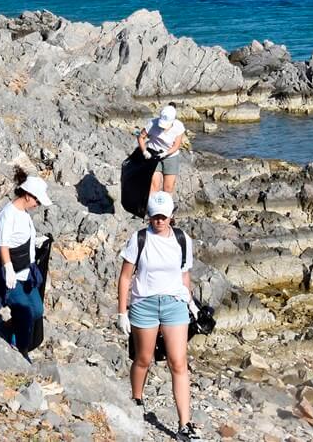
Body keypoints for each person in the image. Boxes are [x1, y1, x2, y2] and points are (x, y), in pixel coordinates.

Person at [116, 192, 202, 442]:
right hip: (144, 304)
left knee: (179, 362)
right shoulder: (139, 239)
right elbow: (125, 277)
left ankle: (184, 424)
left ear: (171, 216)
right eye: (155, 217)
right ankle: (137, 398)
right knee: (143, 358)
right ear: (149, 216)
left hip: (175, 304)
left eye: (163, 217)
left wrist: (190, 301)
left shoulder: (182, 240)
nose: (159, 221)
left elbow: (184, 273)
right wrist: (122, 312)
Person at [0, 170, 51, 359]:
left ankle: (7, 327)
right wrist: (8, 269)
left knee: (37, 310)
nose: (37, 204)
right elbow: (3, 244)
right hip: (11, 272)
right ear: (28, 195)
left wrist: (38, 242)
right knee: (24, 311)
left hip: (26, 272)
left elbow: (22, 238)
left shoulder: (23, 214)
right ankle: (21, 351)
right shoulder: (8, 214)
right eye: (37, 200)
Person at [138, 104, 185, 194]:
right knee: (154, 185)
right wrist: (144, 151)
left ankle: (166, 207)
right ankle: (152, 206)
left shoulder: (178, 127)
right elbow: (140, 137)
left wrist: (166, 153)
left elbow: (176, 146)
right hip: (153, 155)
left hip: (171, 156)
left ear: (173, 120)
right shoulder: (152, 124)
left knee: (168, 187)